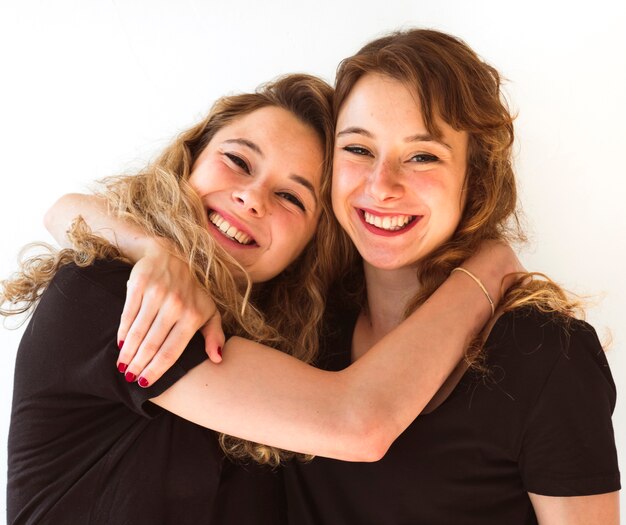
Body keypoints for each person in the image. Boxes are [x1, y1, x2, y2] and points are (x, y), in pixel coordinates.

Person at [3, 73, 517, 524]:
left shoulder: (289, 350)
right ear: (190, 160)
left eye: (291, 197)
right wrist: (490, 268)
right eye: (237, 160)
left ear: (310, 247)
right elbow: (360, 423)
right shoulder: (112, 292)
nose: (252, 197)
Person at [277, 29, 619, 524]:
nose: (381, 185)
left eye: (422, 156)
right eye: (358, 149)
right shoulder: (299, 316)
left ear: (475, 179)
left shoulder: (546, 352)